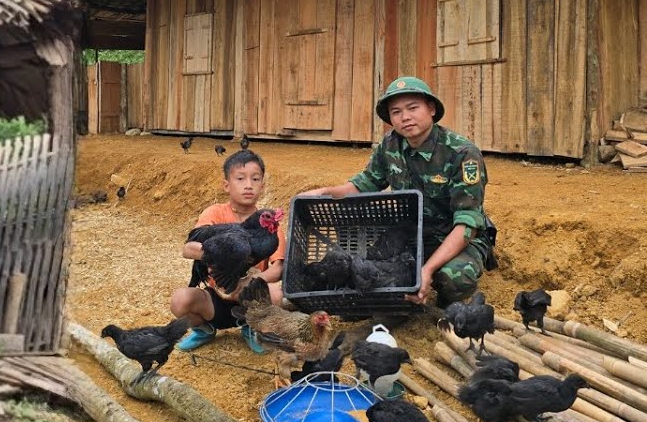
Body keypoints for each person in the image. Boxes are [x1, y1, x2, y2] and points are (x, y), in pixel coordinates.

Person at [303, 76, 496, 308]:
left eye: (413, 108)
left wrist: (427, 270)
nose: (405, 117)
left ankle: (444, 302)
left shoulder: (462, 154)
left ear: (431, 108)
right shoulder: (391, 144)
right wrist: (324, 192)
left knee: (453, 279)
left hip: (453, 235)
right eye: (396, 112)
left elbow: (468, 224)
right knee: (366, 267)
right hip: (410, 231)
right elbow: (365, 183)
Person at [172, 149, 288, 353]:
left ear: (263, 186)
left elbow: (278, 269)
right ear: (226, 185)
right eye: (240, 178)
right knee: (180, 301)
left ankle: (251, 327)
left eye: (255, 179)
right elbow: (188, 249)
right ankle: (203, 330)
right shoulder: (215, 213)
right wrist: (221, 258)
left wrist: (249, 282)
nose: (248, 185)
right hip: (215, 294)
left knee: (277, 294)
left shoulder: (269, 224)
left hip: (249, 296)